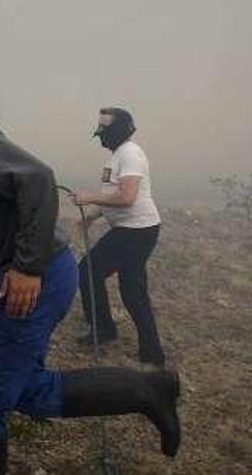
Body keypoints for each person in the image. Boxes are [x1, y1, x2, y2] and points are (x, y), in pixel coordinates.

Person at [0, 50, 180, 474]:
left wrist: (26, 267)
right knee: (20, 389)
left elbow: (36, 179)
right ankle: (147, 389)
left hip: (34, 275)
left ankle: (150, 390)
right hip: (34, 273)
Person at [71, 108, 166, 367]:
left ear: (119, 130)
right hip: (133, 229)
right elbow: (112, 195)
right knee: (131, 289)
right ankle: (150, 351)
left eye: (104, 129)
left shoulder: (130, 154)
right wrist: (91, 216)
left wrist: (89, 197)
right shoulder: (116, 156)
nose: (100, 134)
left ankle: (104, 331)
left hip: (136, 231)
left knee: (89, 272)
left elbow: (127, 197)